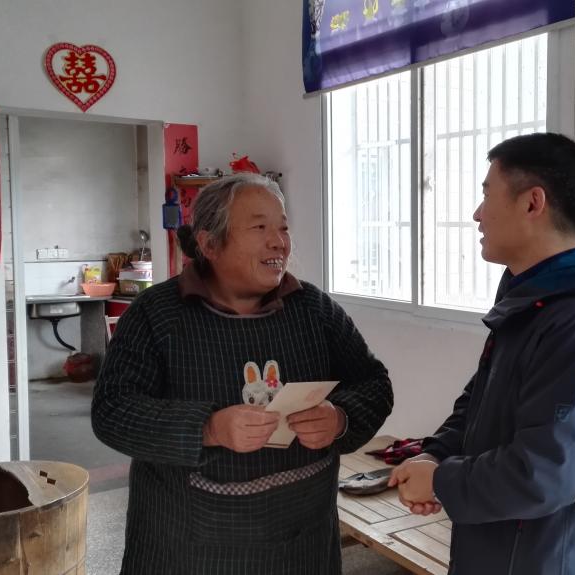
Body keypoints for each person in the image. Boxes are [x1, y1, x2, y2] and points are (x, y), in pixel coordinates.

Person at [92, 172, 393, 574]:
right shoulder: (157, 315)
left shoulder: (314, 310)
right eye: (259, 227)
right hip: (190, 551)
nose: (279, 241)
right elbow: (112, 411)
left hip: (304, 546)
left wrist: (341, 418)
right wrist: (208, 428)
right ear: (209, 244)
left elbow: (374, 383)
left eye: (283, 228)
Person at [388, 133, 575, 575]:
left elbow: (547, 471)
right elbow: (480, 402)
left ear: (532, 203)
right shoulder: (533, 301)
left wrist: (443, 481)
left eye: (487, 195)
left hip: (548, 561)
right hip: (500, 548)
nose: (477, 214)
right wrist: (435, 454)